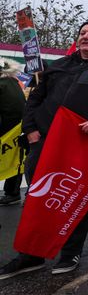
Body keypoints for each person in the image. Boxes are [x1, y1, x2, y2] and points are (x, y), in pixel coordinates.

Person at [0, 19, 88, 278]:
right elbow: (36, 98)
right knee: (38, 198)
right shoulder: (59, 65)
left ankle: (70, 251)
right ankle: (32, 255)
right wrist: (30, 130)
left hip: (83, 145)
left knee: (75, 197)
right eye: (83, 32)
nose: (86, 36)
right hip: (44, 142)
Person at [0, 67, 26, 205]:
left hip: (7, 129)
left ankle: (12, 194)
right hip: (17, 130)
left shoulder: (3, 85)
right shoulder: (11, 81)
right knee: (15, 161)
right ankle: (12, 193)